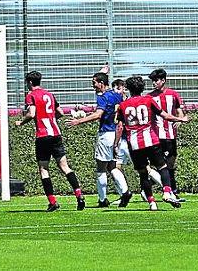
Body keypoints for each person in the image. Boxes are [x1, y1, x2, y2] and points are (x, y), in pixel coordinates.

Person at [17, 70, 85, 211]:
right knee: (65, 167)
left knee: (44, 168)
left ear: (29, 82)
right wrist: (51, 120)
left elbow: (32, 114)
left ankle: (53, 202)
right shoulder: (49, 94)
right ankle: (79, 195)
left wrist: (21, 123)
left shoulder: (31, 95)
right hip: (56, 134)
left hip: (42, 136)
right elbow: (60, 112)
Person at [117, 75, 186, 210]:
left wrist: (115, 144)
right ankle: (167, 192)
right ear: (142, 87)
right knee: (162, 166)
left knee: (143, 173)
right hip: (151, 140)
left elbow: (120, 126)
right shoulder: (148, 100)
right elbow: (164, 115)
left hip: (135, 144)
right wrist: (180, 119)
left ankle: (152, 202)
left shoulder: (123, 105)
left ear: (129, 89)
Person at [68, 71, 132, 208]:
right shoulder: (117, 96)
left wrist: (79, 121)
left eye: (94, 83)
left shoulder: (103, 97)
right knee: (112, 165)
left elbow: (98, 114)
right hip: (116, 134)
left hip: (106, 134)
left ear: (101, 83)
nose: (93, 86)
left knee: (101, 167)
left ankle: (103, 199)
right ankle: (125, 192)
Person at [149, 68, 189, 200]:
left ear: (163, 81)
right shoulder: (150, 97)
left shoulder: (172, 94)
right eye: (153, 81)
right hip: (157, 135)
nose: (154, 83)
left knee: (170, 164)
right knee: (161, 164)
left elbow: (179, 110)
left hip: (171, 135)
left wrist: (180, 120)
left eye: (156, 80)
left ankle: (169, 189)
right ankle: (169, 191)